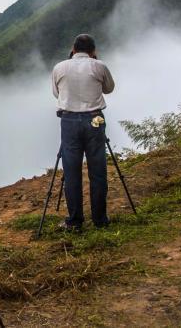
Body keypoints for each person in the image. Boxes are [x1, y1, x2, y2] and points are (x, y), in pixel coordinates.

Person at [51, 34, 116, 231]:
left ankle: (75, 221)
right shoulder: (99, 66)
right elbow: (109, 89)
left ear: (73, 48)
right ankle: (99, 219)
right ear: (93, 51)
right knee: (97, 170)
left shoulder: (59, 67)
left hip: (69, 121)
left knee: (71, 172)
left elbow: (56, 93)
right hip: (94, 119)